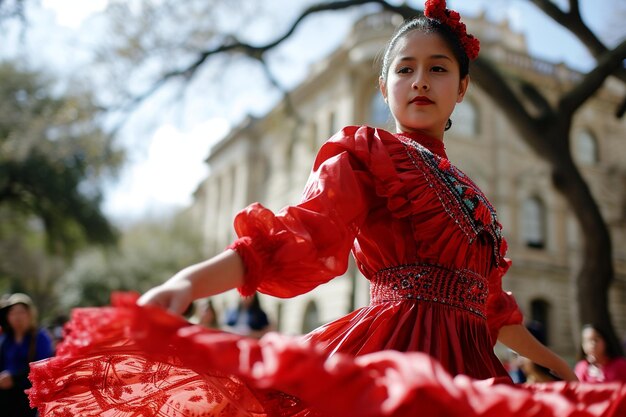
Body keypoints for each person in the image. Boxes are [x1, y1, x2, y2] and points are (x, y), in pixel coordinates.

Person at [28, 1, 626, 416]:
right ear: (386, 84)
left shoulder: (476, 199)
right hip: (388, 360)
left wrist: (560, 367)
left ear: (462, 89)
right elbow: (300, 235)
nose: (420, 81)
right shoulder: (369, 156)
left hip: (473, 370)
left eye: (438, 69)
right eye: (405, 69)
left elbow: (494, 311)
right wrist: (189, 282)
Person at [0, 293, 53, 417]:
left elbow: (44, 370)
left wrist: (15, 379)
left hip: (30, 400)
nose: (17, 317)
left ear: (30, 315)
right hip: (6, 399)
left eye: (21, 312)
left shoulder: (40, 338)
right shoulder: (5, 339)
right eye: (12, 313)